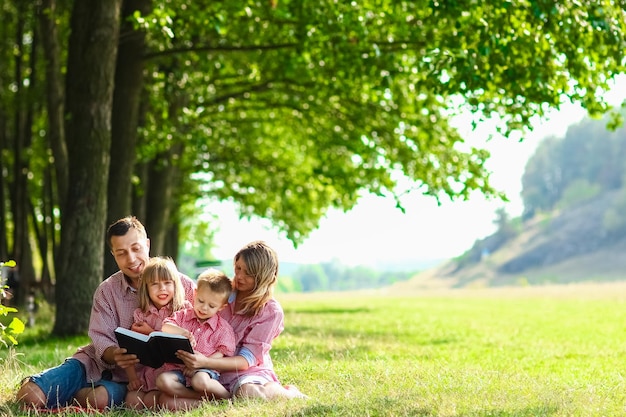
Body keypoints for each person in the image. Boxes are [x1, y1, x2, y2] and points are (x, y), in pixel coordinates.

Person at [16, 216, 196, 410]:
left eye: (136, 249)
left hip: (135, 383)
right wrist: (115, 354)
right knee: (29, 396)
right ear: (113, 254)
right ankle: (66, 385)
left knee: (98, 399)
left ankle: (76, 394)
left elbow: (203, 325)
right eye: (122, 253)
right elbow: (101, 340)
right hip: (94, 365)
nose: (132, 259)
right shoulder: (107, 290)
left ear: (147, 244)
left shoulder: (181, 284)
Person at [159, 241, 306, 410]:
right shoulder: (221, 293)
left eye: (248, 273)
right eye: (238, 268)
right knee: (168, 402)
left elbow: (245, 361)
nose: (239, 276)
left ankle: (289, 394)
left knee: (248, 393)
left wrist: (205, 362)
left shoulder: (270, 311)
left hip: (243, 373)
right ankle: (222, 403)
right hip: (206, 374)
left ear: (263, 277)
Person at [156, 269, 236, 409]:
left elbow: (222, 352)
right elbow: (165, 327)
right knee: (162, 381)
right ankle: (203, 400)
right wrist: (182, 331)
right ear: (195, 294)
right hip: (178, 369)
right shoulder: (182, 316)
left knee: (199, 381)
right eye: (200, 301)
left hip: (205, 371)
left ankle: (227, 398)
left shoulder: (222, 328)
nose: (204, 308)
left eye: (211, 306)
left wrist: (203, 363)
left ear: (221, 307)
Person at [124, 256, 191, 409]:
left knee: (153, 401)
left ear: (175, 285)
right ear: (146, 288)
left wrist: (151, 332)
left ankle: (198, 398)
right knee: (131, 401)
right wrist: (132, 378)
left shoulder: (184, 310)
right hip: (150, 374)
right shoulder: (141, 315)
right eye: (155, 284)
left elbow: (185, 342)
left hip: (176, 373)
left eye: (167, 283)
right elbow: (130, 348)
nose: (162, 289)